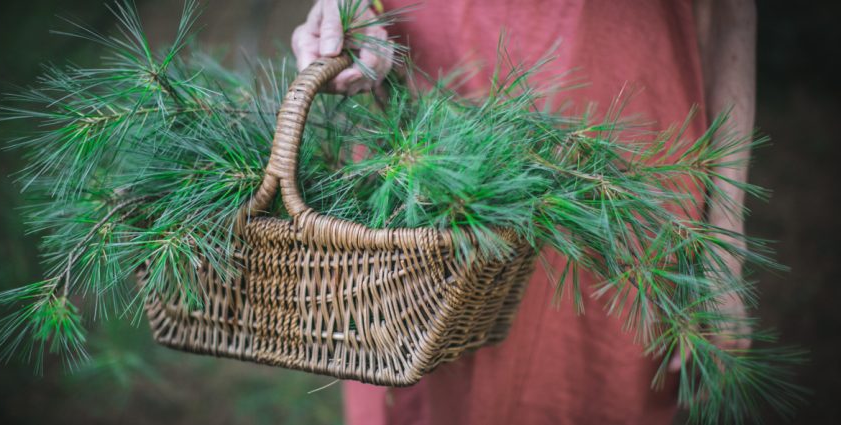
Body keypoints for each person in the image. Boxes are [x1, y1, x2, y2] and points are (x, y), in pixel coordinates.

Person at [291, 1, 757, 423]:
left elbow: (732, 13)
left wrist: (724, 246)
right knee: (410, 374)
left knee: (577, 383)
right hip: (415, 130)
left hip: (617, 163)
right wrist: (355, 8)